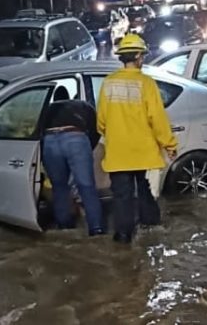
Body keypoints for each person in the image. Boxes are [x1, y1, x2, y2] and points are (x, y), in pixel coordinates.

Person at [97, 34, 178, 244]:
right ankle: (151, 226)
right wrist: (169, 144)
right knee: (142, 186)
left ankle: (123, 236)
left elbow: (101, 121)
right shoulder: (147, 84)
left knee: (122, 195)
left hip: (118, 153)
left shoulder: (108, 83)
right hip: (141, 151)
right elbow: (157, 119)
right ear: (139, 56)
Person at [41, 86, 105, 236]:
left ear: (54, 99)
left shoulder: (47, 109)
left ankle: (64, 227)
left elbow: (37, 133)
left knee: (59, 187)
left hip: (50, 140)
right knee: (86, 187)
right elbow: (96, 130)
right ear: (70, 96)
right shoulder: (82, 105)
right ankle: (96, 229)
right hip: (75, 137)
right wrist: (87, 148)